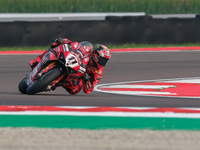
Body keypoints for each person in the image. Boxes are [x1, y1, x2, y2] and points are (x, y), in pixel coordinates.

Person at [29, 37, 111, 94]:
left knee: (75, 90)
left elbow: (88, 89)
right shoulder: (88, 48)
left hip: (75, 74)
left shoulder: (98, 71)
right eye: (103, 59)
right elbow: (76, 45)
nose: (103, 63)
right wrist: (64, 42)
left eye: (105, 61)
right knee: (59, 42)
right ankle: (37, 61)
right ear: (96, 54)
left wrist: (86, 78)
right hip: (70, 58)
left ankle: (55, 82)